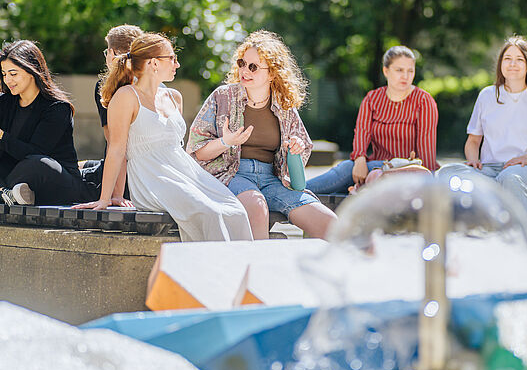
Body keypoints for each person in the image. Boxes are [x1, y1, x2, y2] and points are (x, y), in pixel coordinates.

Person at [73, 32, 252, 242]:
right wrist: (108, 198)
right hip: (151, 178)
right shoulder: (126, 97)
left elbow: (178, 147)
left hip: (185, 172)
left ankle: (242, 272)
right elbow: (116, 149)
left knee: (235, 210)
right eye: (172, 58)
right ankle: (213, 272)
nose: (177, 64)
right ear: (153, 64)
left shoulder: (174, 97)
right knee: (208, 213)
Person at [187, 30, 337, 239]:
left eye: (253, 66)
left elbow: (301, 151)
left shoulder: (284, 106)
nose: (244, 70)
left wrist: (296, 147)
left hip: (272, 180)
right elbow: (197, 153)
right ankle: (261, 269)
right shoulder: (222, 97)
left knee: (328, 222)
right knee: (257, 207)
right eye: (242, 63)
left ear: (273, 73)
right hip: (232, 175)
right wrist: (225, 142)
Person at [437, 35, 527, 243]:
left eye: (519, 59)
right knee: (446, 174)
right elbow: (473, 141)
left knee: (510, 178)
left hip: (524, 169)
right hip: (489, 168)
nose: (512, 64)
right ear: (500, 64)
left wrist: (526, 159)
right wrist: (473, 159)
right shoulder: (487, 95)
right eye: (507, 59)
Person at [0, 40, 97, 206]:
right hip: (15, 176)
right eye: (5, 74)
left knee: (36, 163)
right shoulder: (4, 102)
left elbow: (35, 153)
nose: (8, 80)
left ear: (32, 71)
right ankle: (2, 194)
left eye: (13, 74)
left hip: (52, 178)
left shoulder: (57, 108)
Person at [306, 45, 439, 194]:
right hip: (376, 166)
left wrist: (428, 182)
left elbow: (427, 147)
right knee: (342, 188)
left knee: (345, 170)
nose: (406, 76)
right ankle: (295, 195)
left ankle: (295, 191)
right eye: (399, 70)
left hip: (407, 169)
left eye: (410, 71)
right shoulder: (372, 98)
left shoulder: (423, 101)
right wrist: (360, 159)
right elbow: (362, 133)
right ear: (386, 71)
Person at [80, 24, 145, 188]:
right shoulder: (156, 85)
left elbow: (115, 145)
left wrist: (115, 194)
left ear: (112, 53)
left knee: (72, 171)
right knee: (82, 164)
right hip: (149, 169)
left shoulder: (107, 86)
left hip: (124, 174)